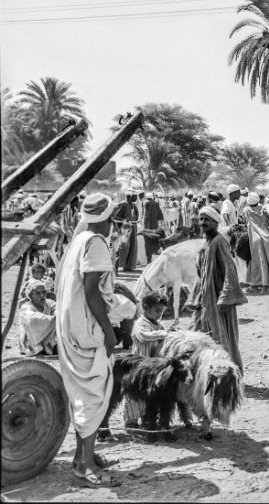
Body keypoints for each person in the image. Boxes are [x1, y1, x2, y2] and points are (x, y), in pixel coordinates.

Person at [55, 193, 126, 487]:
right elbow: (92, 290)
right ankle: (84, 465)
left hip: (69, 324)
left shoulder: (77, 240)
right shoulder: (95, 242)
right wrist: (108, 331)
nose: (114, 225)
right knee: (94, 392)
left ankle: (86, 455)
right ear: (106, 219)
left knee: (82, 389)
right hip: (86, 326)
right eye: (113, 219)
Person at [186, 206, 248, 371]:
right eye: (201, 219)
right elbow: (201, 276)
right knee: (197, 336)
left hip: (218, 301)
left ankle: (228, 372)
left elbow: (230, 269)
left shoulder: (219, 242)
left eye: (207, 219)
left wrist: (226, 298)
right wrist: (196, 298)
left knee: (221, 337)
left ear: (215, 222)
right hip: (205, 301)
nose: (203, 223)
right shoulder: (205, 244)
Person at [124, 292, 172, 429]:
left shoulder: (159, 325)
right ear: (146, 308)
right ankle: (131, 422)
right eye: (157, 310)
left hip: (152, 367)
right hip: (139, 365)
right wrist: (164, 334)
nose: (159, 314)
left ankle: (147, 419)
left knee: (150, 394)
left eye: (161, 311)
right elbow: (143, 336)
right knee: (134, 394)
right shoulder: (140, 324)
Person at [240, 192, 269, 292]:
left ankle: (259, 284)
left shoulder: (246, 210)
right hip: (268, 237)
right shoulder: (263, 208)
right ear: (258, 200)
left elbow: (242, 219)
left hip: (255, 238)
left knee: (258, 261)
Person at [17, 279, 58, 356]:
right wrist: (54, 320)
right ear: (31, 295)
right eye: (38, 293)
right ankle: (41, 348)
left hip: (46, 338)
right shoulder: (26, 307)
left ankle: (49, 345)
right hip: (31, 341)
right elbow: (34, 320)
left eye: (44, 292)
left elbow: (57, 308)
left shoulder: (48, 303)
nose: (42, 295)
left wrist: (57, 313)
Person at [142, 192, 164, 264]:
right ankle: (152, 255)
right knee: (153, 240)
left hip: (146, 226)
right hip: (154, 226)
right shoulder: (155, 203)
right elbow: (160, 215)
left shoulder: (145, 203)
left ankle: (149, 258)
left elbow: (143, 214)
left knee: (147, 242)